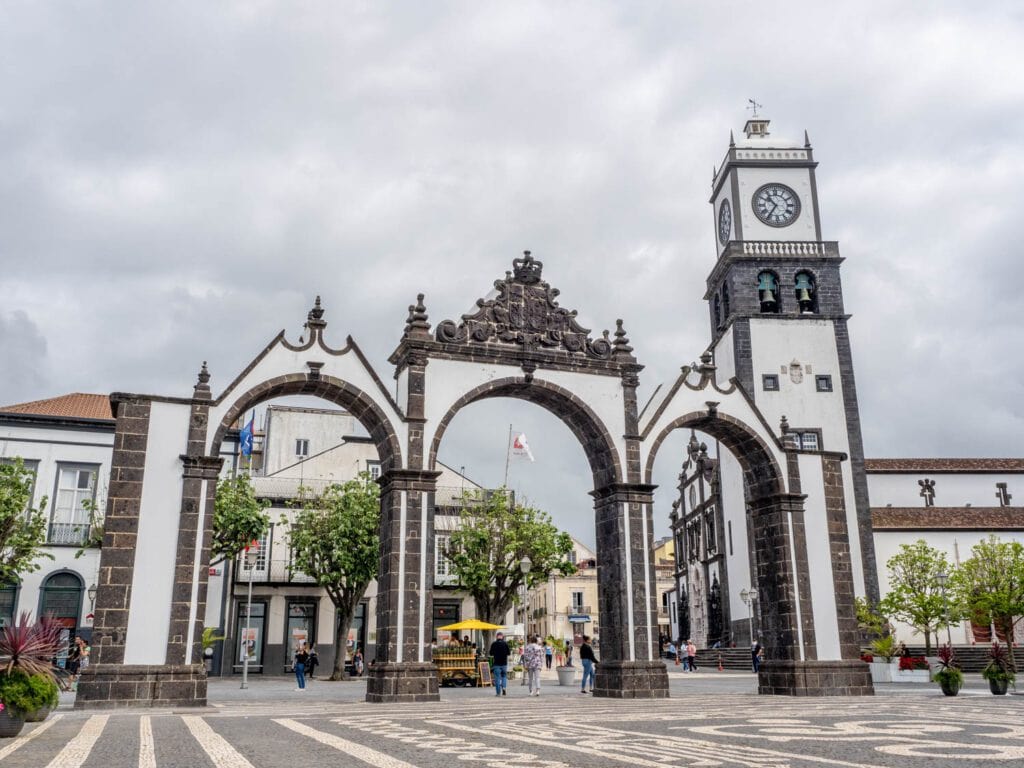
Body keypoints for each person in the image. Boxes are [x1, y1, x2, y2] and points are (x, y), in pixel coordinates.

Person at [489, 631, 511, 697]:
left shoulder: (494, 644)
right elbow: (509, 653)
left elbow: (491, 653)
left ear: (496, 637)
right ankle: (504, 687)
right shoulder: (505, 644)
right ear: (502, 637)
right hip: (504, 663)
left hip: (496, 664)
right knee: (504, 676)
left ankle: (498, 693)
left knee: (497, 678)